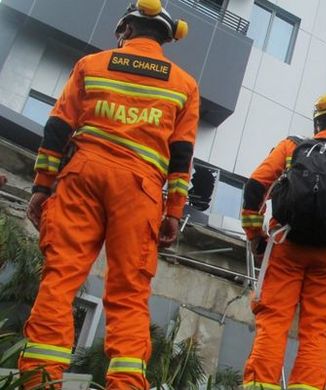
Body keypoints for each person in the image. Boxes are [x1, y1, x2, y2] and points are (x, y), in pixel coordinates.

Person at [19, 1, 198, 387]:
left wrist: (41, 188)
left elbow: (57, 130)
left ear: (127, 30)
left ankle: (38, 380)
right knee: (129, 293)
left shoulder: (92, 65)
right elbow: (181, 159)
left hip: (81, 177)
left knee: (60, 279)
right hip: (141, 190)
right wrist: (173, 213)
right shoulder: (185, 85)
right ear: (166, 39)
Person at [240, 93, 326, 390]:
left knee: (273, 323)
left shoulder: (291, 147)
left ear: (317, 125)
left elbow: (253, 187)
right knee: (316, 332)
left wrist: (257, 237)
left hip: (285, 247)